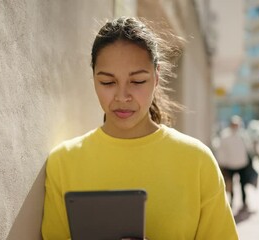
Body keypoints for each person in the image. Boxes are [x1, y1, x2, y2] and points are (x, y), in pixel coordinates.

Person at [41, 17, 238, 239]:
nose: (122, 96)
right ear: (93, 78)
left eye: (137, 82)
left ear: (156, 77)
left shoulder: (198, 161)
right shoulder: (63, 163)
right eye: (107, 82)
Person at [216, 115, 252, 211]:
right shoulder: (225, 135)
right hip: (230, 165)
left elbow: (248, 148)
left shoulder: (243, 135)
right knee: (230, 185)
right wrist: (221, 163)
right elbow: (221, 151)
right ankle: (231, 201)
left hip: (242, 164)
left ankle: (244, 202)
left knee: (243, 185)